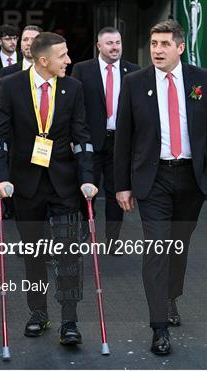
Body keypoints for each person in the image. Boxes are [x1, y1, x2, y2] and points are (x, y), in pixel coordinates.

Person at [114, 20, 207, 355]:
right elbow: (124, 137)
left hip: (192, 179)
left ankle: (171, 297)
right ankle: (159, 326)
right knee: (158, 247)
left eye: (164, 44)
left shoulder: (201, 80)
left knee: (179, 245)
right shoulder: (134, 83)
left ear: (180, 47)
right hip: (154, 179)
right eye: (153, 43)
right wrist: (122, 186)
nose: (157, 50)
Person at [0, 32, 97, 346]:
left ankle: (70, 321)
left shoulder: (73, 88)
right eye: (63, 55)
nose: (69, 60)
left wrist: (87, 177)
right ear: (43, 60)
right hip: (25, 184)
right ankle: (38, 313)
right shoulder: (11, 86)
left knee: (68, 255)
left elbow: (83, 136)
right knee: (34, 253)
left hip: (64, 183)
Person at [71, 27, 140, 246]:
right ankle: (85, 229)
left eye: (118, 42)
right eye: (109, 43)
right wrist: (75, 138)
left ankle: (113, 239)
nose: (115, 47)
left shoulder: (134, 71)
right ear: (98, 46)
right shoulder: (82, 70)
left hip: (120, 143)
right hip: (90, 141)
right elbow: (75, 107)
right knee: (86, 189)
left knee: (116, 190)